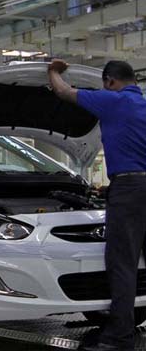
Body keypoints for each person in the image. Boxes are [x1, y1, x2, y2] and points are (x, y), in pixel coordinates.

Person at [48, 59, 146, 351]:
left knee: (122, 264)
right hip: (135, 185)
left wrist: (52, 71)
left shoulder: (112, 100)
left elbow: (64, 92)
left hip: (129, 190)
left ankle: (119, 337)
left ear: (110, 82)